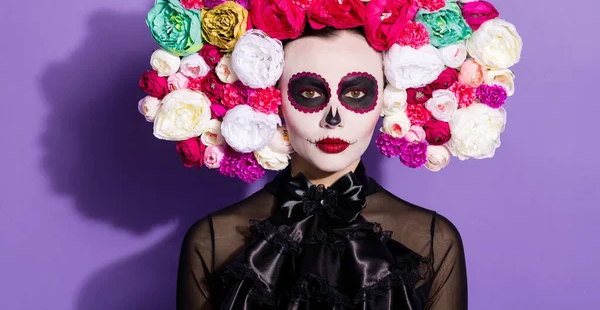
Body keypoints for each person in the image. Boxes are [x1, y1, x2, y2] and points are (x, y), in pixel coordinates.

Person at [175, 27, 468, 309]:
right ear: (273, 101)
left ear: (386, 101)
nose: (333, 118)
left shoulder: (432, 240)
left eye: (355, 94)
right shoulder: (212, 239)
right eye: (311, 94)